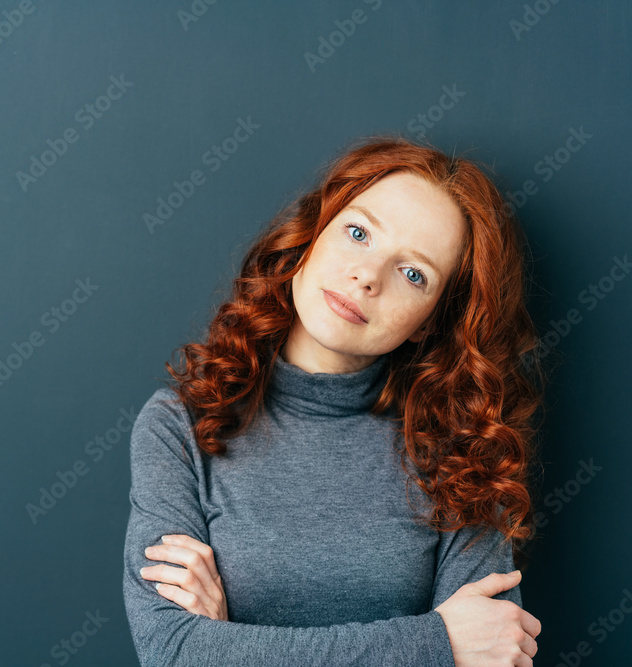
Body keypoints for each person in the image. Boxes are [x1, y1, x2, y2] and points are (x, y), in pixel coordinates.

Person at [122, 135, 547, 666]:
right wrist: (437, 643)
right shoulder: (180, 426)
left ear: (430, 321)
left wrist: (230, 644)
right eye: (358, 232)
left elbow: (492, 654)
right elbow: (172, 651)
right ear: (312, 233)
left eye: (413, 274)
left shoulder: (466, 453)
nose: (367, 277)